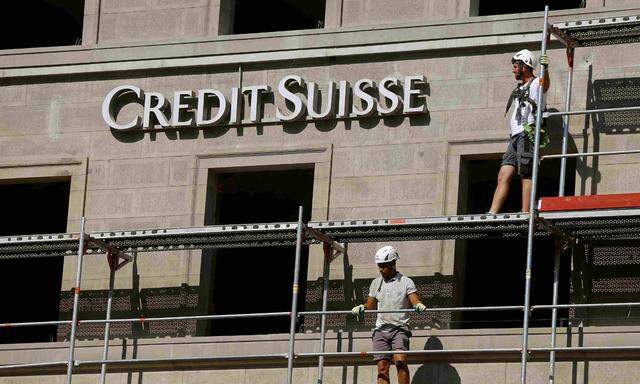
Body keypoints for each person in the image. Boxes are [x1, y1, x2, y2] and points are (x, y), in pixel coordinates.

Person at [351, 245, 426, 384]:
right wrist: (362, 307)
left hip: (400, 329)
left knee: (400, 361)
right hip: (380, 330)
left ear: (393, 264)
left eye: (384, 266)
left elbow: (415, 301)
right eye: (379, 266)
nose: (380, 269)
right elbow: (371, 305)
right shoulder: (376, 283)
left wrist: (419, 306)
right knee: (382, 368)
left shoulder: (406, 282)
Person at [489, 49, 550, 214]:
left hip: (527, 133)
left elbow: (545, 85)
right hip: (515, 137)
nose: (513, 69)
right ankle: (492, 212)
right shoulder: (520, 87)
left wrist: (546, 69)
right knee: (503, 174)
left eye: (516, 66)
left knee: (526, 173)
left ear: (525, 66)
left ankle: (525, 212)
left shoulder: (537, 83)